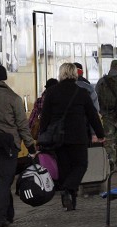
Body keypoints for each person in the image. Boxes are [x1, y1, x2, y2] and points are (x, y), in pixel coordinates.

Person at [39, 63, 105, 211]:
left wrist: (41, 136)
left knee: (65, 169)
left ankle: (69, 201)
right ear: (75, 74)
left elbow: (45, 117)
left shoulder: (51, 92)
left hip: (58, 139)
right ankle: (69, 191)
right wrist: (100, 134)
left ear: (61, 74)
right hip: (78, 137)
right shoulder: (81, 93)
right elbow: (92, 115)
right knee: (81, 165)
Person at [0, 64, 37, 227]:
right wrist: (31, 147)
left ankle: (8, 214)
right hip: (9, 143)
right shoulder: (13, 97)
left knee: (0, 180)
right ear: (4, 77)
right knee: (5, 180)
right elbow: (22, 125)